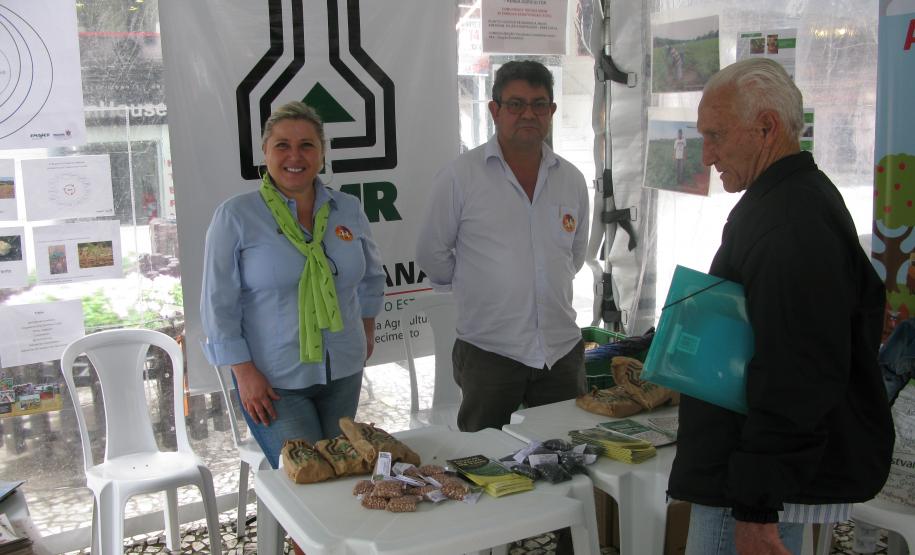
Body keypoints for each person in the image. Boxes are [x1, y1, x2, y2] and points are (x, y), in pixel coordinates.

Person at [668, 58, 894, 555]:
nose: (706, 156)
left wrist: (755, 508)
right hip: (748, 474)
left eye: (716, 136)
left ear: (766, 127)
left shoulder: (790, 223)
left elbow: (796, 373)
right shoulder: (788, 200)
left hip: (747, 487)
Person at [200, 101, 385, 470]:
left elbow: (370, 277)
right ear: (265, 152)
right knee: (309, 480)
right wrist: (243, 373)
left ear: (322, 154)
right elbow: (218, 304)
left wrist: (366, 329)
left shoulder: (347, 208)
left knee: (344, 474)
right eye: (282, 145)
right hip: (273, 382)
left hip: (343, 371)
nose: (294, 156)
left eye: (307, 145)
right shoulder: (236, 216)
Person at [416, 60, 590, 433]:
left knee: (569, 458)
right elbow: (433, 254)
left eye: (539, 104)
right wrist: (478, 288)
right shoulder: (460, 177)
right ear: (494, 110)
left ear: (552, 112)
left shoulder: (572, 180)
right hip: (490, 351)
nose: (528, 114)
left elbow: (574, 256)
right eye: (515, 104)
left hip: (560, 352)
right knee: (484, 466)